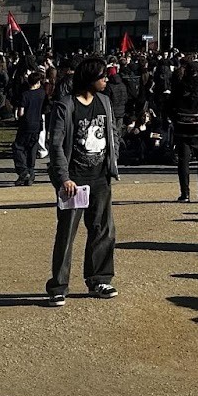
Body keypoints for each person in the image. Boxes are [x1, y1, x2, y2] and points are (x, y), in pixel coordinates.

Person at [46, 57, 121, 303]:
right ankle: (59, 285)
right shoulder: (65, 106)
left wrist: (113, 162)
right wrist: (63, 178)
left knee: (103, 230)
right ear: (90, 79)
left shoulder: (105, 102)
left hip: (100, 178)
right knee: (66, 233)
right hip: (74, 181)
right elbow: (56, 144)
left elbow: (112, 133)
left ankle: (100, 278)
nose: (106, 80)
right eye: (102, 76)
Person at [165, 60, 198, 204]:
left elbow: (169, 106)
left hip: (182, 129)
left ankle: (185, 193)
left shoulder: (179, 87)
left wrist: (175, 121)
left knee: (183, 161)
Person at [13, 70, 47, 187]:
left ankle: (23, 170)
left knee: (18, 147)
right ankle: (31, 172)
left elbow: (21, 112)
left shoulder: (25, 95)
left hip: (26, 124)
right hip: (37, 124)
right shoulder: (42, 93)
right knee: (32, 148)